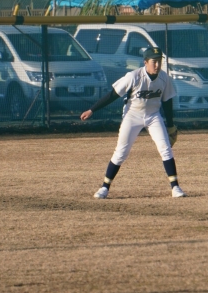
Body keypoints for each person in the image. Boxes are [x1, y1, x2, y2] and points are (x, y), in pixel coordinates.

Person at [80, 46, 186, 199]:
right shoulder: (134, 77)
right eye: (154, 61)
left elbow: (167, 102)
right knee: (121, 153)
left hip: (153, 116)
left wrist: (170, 125)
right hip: (132, 116)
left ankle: (175, 187)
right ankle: (104, 187)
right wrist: (92, 110)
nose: (157, 65)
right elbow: (112, 95)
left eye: (159, 61)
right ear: (145, 62)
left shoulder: (164, 78)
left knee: (165, 149)